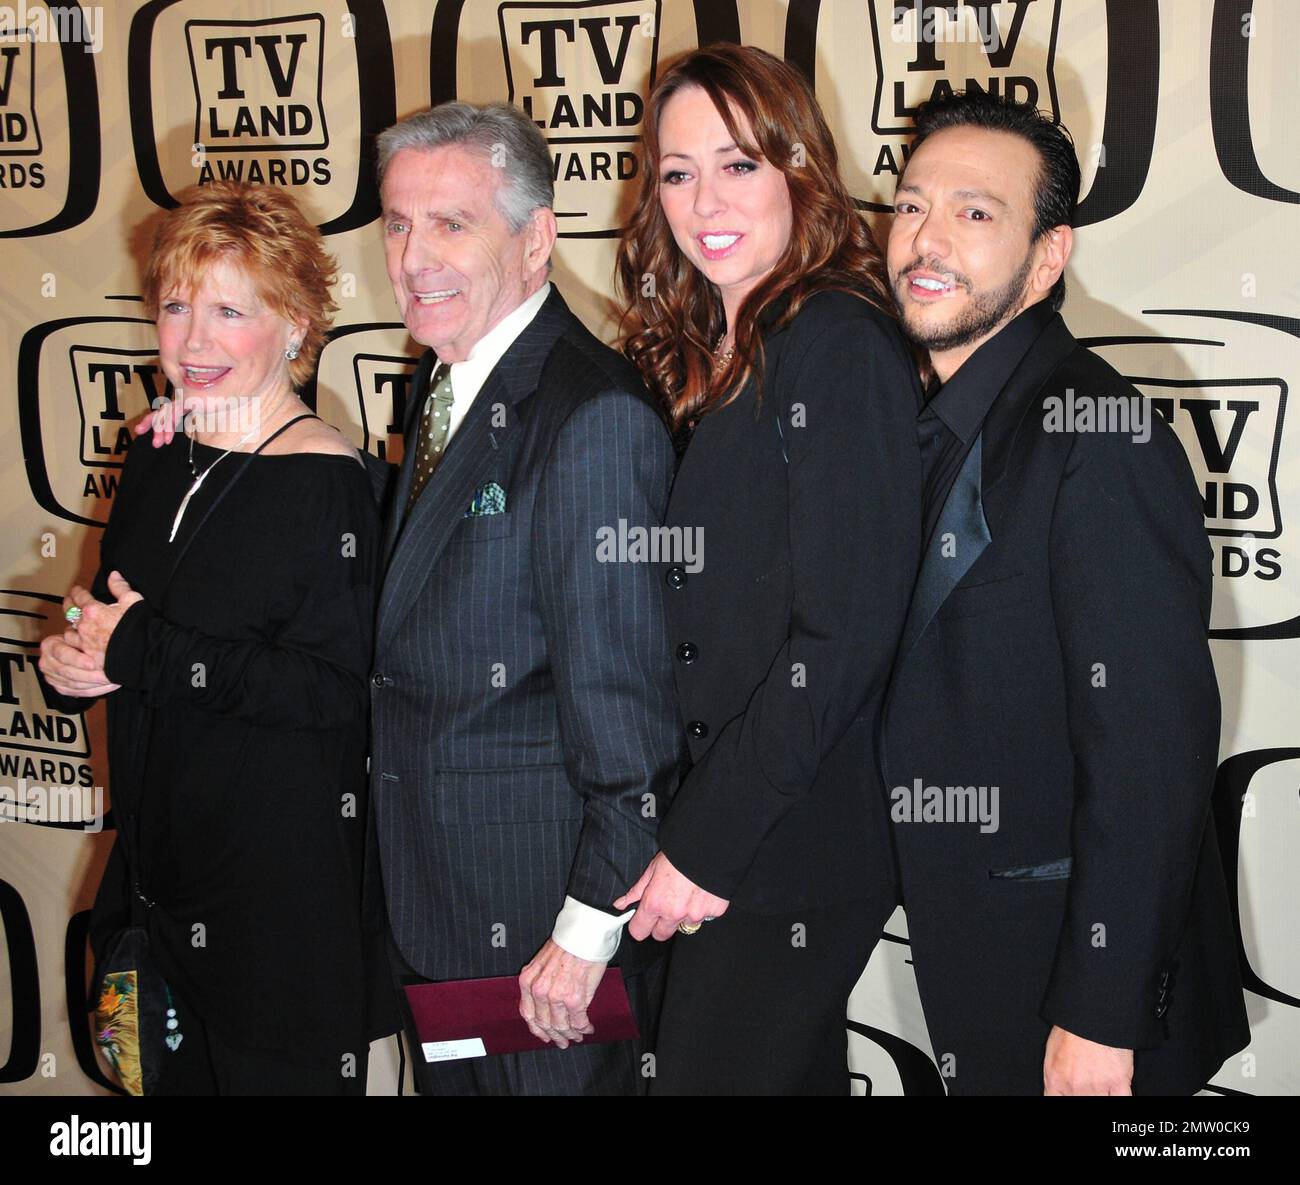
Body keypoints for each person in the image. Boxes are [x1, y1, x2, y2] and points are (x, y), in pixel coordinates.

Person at [879, 92, 1251, 1094]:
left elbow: (1151, 754)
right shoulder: (910, 422)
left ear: (1048, 257)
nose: (927, 238)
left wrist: (1099, 1014)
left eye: (974, 212)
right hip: (976, 964)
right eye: (911, 205)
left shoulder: (1098, 433)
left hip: (1075, 996)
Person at [38, 182, 396, 1095]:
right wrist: (75, 657)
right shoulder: (157, 453)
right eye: (176, 306)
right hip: (152, 894)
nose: (193, 341)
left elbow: (335, 693)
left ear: (296, 324)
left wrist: (138, 651)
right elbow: (110, 620)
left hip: (275, 920)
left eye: (230, 310)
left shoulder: (332, 487)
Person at [613, 45, 923, 1094]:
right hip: (733, 802)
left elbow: (843, 635)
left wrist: (708, 843)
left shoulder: (835, 339)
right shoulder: (721, 339)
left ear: (799, 169)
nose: (705, 199)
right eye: (676, 170)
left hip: (797, 820)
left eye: (738, 164)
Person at [367, 102, 682, 1096]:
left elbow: (630, 729)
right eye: (397, 223)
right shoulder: (443, 382)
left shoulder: (592, 419)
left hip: (544, 950)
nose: (415, 256)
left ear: (536, 236)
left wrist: (586, 936)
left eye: (451, 223)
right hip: (439, 917)